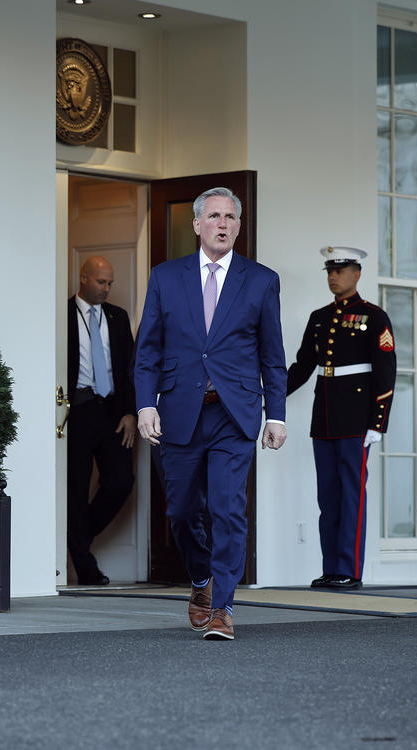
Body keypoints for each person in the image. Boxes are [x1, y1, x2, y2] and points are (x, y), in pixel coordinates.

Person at [135, 187, 287, 640]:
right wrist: (146, 404)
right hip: (179, 411)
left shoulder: (261, 280)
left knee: (227, 509)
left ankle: (223, 608)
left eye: (230, 217)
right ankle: (201, 580)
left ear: (238, 227)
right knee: (181, 512)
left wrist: (275, 413)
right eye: (214, 216)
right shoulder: (165, 277)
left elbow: (272, 354)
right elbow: (148, 351)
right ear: (197, 224)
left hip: (233, 414)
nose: (222, 224)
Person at [286, 246, 397, 590]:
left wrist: (378, 423)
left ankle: (350, 570)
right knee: (328, 497)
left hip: (356, 418)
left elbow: (385, 370)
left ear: (357, 274)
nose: (334, 277)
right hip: (326, 417)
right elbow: (303, 366)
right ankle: (332, 568)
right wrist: (268, 397)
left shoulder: (373, 316)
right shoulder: (319, 317)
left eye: (341, 270)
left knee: (352, 496)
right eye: (330, 271)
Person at [66, 256, 137, 586]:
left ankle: (76, 537)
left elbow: (131, 369)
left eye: (110, 283)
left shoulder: (118, 317)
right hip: (77, 410)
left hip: (113, 412)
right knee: (76, 488)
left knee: (121, 481)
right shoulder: (63, 314)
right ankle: (85, 565)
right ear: (83, 278)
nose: (107, 288)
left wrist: (132, 412)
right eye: (100, 282)